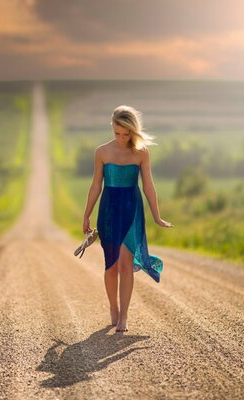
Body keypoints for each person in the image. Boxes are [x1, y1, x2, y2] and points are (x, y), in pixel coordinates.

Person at [82, 105, 172, 333]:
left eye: (126, 134)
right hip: (109, 210)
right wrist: (86, 215)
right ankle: (113, 307)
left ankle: (124, 316)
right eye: (117, 133)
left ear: (134, 131)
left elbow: (149, 186)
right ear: (112, 128)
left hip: (132, 209)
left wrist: (157, 216)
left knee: (125, 264)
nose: (121, 138)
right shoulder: (101, 152)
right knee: (111, 264)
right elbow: (95, 186)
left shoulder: (141, 153)